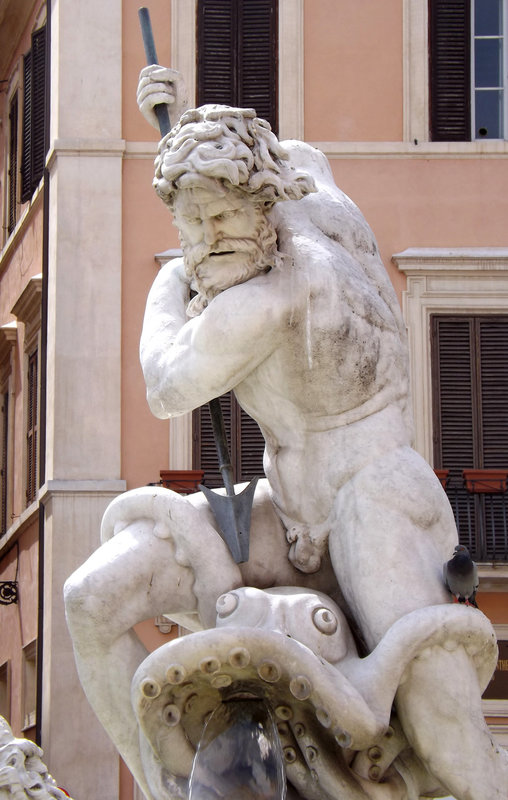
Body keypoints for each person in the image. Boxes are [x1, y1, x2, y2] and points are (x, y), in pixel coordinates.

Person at [64, 68, 508, 800]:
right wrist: (184, 133)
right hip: (289, 511)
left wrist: (172, 277)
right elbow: (285, 151)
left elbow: (167, 387)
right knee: (91, 600)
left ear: (260, 203)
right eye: (191, 224)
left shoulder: (270, 300)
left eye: (223, 221)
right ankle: (170, 787)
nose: (208, 244)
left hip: (377, 502)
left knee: (443, 729)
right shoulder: (308, 183)